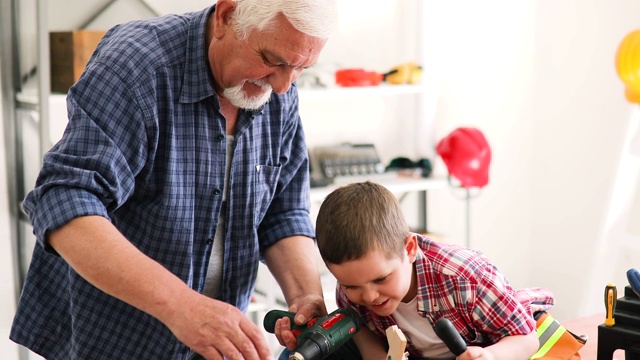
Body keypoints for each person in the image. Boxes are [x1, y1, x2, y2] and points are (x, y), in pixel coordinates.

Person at [10, 0, 338, 359]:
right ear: (227, 16)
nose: (282, 86)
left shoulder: (279, 85)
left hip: (214, 342)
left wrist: (305, 294)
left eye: (301, 68)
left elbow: (283, 212)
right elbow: (65, 200)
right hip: (111, 340)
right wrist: (182, 307)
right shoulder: (136, 65)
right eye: (272, 60)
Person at [277, 181, 556, 360]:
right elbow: (370, 346)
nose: (369, 296)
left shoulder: (467, 277)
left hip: (495, 344)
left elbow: (526, 338)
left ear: (410, 248)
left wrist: (491, 356)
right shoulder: (350, 292)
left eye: (381, 278)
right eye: (351, 286)